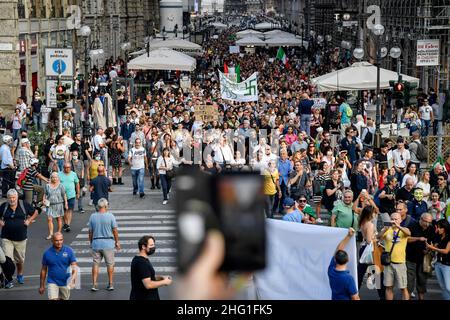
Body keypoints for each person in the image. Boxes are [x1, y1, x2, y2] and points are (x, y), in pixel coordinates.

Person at [0, 189, 38, 284]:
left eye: (14, 197)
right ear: (7, 198)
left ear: (17, 197)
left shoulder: (23, 205)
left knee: (20, 260)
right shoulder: (4, 206)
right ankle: (8, 278)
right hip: (6, 238)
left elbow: (35, 212)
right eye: (10, 198)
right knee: (7, 260)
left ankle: (20, 274)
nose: (12, 200)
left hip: (21, 238)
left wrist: (29, 220)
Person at [88, 198, 120, 291]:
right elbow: (115, 230)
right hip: (108, 243)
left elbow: (90, 232)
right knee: (110, 264)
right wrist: (117, 242)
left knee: (95, 264)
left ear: (98, 206)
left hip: (96, 243)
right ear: (106, 206)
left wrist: (91, 242)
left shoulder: (92, 216)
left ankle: (94, 284)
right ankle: (110, 284)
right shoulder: (111, 216)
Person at [378, 211, 411, 300]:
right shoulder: (387, 229)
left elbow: (409, 233)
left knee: (403, 288)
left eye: (396, 219)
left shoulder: (403, 229)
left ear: (400, 220)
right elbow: (378, 237)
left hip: (400, 263)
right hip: (388, 263)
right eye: (392, 219)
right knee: (388, 287)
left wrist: (398, 226)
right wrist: (385, 229)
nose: (393, 221)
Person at [130, 235, 172, 300]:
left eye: (154, 245)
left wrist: (161, 277)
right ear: (143, 247)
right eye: (151, 245)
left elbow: (146, 277)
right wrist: (165, 282)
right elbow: (148, 284)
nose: (154, 247)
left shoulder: (140, 259)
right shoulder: (142, 263)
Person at [39, 232, 77, 300]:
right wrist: (42, 285)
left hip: (65, 282)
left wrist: (72, 279)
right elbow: (43, 269)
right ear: (52, 240)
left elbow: (74, 267)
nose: (59, 242)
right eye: (56, 240)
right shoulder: (47, 253)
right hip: (52, 281)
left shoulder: (69, 251)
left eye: (61, 240)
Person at [406, 213, 434, 300]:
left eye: (429, 222)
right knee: (409, 281)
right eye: (425, 221)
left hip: (424, 259)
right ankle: (408, 297)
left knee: (422, 280)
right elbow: (406, 239)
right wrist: (418, 238)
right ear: (420, 219)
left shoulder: (431, 228)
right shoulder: (412, 225)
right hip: (411, 258)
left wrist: (429, 249)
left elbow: (434, 242)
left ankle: (421, 298)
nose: (427, 224)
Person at [328, 228, 360, 300]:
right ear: (348, 260)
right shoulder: (349, 279)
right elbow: (355, 298)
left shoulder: (331, 270)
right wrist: (349, 236)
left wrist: (348, 236)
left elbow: (338, 249)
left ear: (335, 260)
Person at [425, 219, 450, 300]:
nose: (437, 229)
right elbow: (435, 247)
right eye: (437, 227)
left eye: (439, 228)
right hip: (438, 264)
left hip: (447, 265)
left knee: (448, 287)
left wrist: (432, 248)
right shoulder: (438, 236)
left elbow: (446, 251)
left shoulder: (449, 237)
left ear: (445, 228)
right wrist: (430, 247)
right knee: (443, 287)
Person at [43, 172, 67, 240]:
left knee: (58, 219)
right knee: (49, 219)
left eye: (56, 177)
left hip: (58, 204)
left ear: (58, 178)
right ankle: (51, 234)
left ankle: (59, 232)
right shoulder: (47, 185)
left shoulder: (61, 185)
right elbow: (45, 194)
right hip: (50, 205)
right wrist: (44, 200)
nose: (54, 178)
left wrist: (66, 203)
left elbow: (64, 194)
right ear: (51, 178)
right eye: (53, 177)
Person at [58, 162, 80, 233]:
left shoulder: (73, 174)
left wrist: (78, 193)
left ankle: (68, 224)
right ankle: (65, 223)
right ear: (63, 168)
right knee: (64, 210)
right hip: (61, 196)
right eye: (65, 167)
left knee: (70, 210)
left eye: (68, 167)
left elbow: (77, 183)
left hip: (71, 195)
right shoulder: (59, 174)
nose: (67, 169)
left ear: (70, 168)